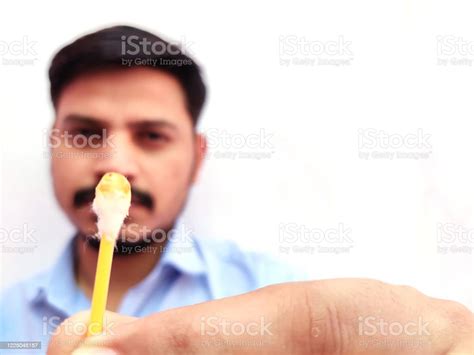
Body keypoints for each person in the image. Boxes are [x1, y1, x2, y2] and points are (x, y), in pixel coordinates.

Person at [2, 25, 473, 354]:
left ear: (197, 157)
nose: (116, 164)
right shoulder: (7, 315)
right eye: (85, 134)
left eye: (151, 136)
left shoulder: (274, 293)